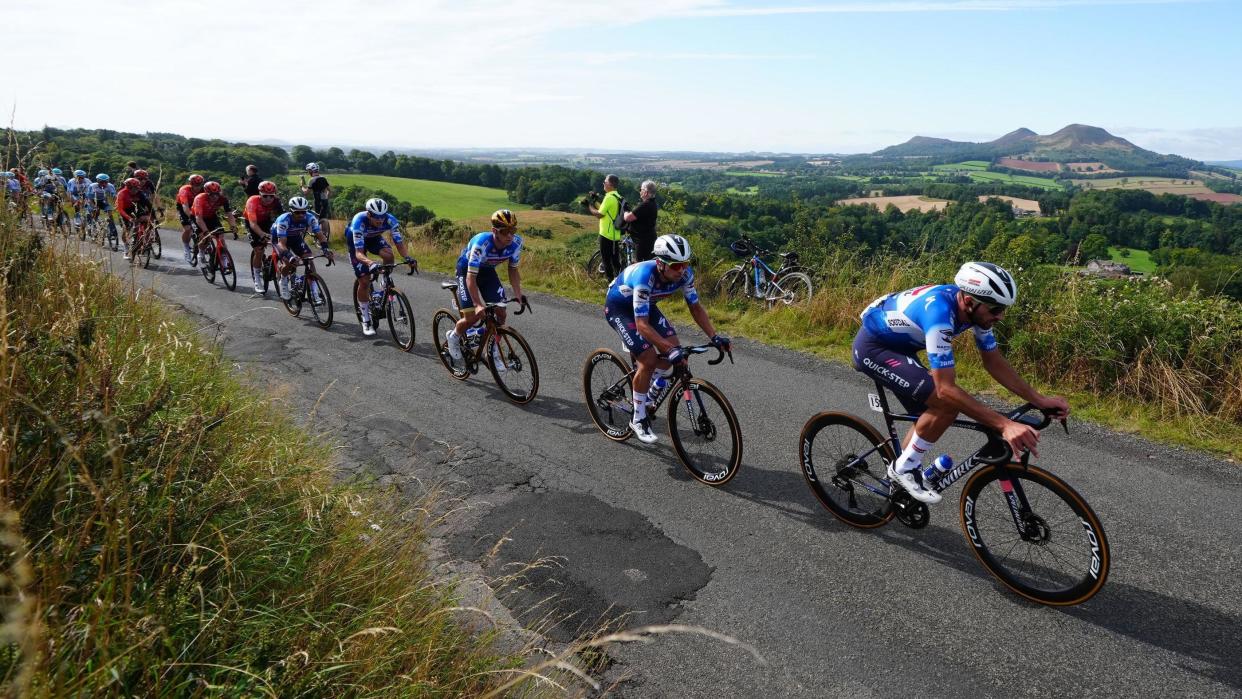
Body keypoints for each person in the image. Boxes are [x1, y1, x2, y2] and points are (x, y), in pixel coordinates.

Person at [853, 262, 1070, 504]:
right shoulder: (939, 315)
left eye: (1003, 309)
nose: (1000, 316)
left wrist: (1039, 399)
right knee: (945, 404)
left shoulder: (975, 311)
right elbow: (946, 389)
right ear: (968, 301)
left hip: (902, 346)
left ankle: (902, 477)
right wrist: (1004, 425)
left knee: (931, 412)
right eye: (996, 309)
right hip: (874, 348)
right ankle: (903, 469)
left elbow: (993, 362)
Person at [603, 234, 730, 444]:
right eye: (676, 265)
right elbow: (642, 325)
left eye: (685, 264)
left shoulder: (685, 274)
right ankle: (638, 418)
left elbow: (695, 308)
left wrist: (714, 336)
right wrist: (666, 349)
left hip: (646, 306)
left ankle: (649, 396)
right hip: (620, 308)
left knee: (676, 353)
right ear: (661, 263)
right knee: (649, 359)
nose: (682, 270)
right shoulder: (646, 276)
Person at [444, 209, 525, 366]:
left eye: (513, 230)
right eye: (505, 231)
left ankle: (492, 348)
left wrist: (519, 295)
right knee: (472, 317)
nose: (510, 235)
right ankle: (453, 336)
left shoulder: (516, 243)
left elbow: (513, 269)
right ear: (494, 231)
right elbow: (471, 277)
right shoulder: (482, 244)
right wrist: (478, 304)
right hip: (466, 270)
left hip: (487, 271)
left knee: (501, 313)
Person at [346, 198, 416, 336]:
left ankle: (385, 284)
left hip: (374, 238)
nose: (380, 220)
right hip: (356, 243)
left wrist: (408, 258)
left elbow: (399, 244)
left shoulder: (390, 220)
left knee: (389, 255)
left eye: (383, 216)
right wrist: (371, 263)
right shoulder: (358, 222)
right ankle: (366, 320)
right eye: (377, 217)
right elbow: (359, 254)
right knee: (365, 281)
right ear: (369, 214)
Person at [271, 196, 332, 301]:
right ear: (291, 211)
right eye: (297, 212)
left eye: (303, 212)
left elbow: (320, 235)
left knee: (309, 259)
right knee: (288, 263)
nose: (301, 215)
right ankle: (284, 281)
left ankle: (313, 290)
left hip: (295, 237)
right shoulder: (284, 219)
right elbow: (281, 244)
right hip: (279, 239)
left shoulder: (310, 217)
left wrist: (326, 250)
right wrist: (290, 257)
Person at [243, 180, 284, 293]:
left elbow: (282, 218)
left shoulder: (276, 201)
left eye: (271, 196)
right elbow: (253, 224)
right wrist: (262, 235)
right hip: (252, 223)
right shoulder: (252, 201)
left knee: (281, 244)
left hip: (266, 221)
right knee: (259, 250)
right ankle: (257, 278)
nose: (268, 199)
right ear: (260, 194)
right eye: (265, 196)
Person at [587, 174, 626, 281]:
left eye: (605, 182)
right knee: (615, 260)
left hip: (606, 234)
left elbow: (600, 214)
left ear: (610, 184)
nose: (603, 184)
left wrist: (588, 206)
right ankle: (620, 282)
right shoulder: (618, 197)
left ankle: (610, 283)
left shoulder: (609, 197)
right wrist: (595, 201)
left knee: (606, 260)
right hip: (615, 234)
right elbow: (606, 211)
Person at [192, 181, 240, 265]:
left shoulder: (223, 198)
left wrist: (234, 226)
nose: (215, 196)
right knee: (205, 238)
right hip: (198, 217)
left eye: (217, 194)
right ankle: (201, 253)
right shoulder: (199, 199)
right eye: (212, 194)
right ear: (206, 193)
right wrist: (206, 232)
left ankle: (224, 258)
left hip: (211, 216)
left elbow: (229, 214)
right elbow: (198, 218)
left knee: (221, 237)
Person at [115, 178, 155, 259]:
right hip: (124, 211)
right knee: (126, 230)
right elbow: (120, 209)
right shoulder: (122, 194)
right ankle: (126, 251)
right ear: (128, 187)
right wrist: (129, 218)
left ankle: (145, 238)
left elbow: (148, 205)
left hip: (135, 208)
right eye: (135, 188)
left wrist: (153, 217)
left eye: (138, 188)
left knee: (147, 219)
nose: (137, 190)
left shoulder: (140, 193)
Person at [624, 180, 659, 261]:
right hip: (649, 238)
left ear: (646, 192)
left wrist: (625, 211)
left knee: (639, 265)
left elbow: (628, 218)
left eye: (641, 190)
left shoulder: (645, 205)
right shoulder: (653, 203)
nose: (640, 192)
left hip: (642, 241)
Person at [176, 174, 206, 262]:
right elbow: (185, 206)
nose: (197, 187)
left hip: (197, 206)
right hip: (184, 206)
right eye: (195, 185)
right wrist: (192, 217)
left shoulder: (204, 190)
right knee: (188, 228)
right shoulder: (184, 190)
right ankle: (186, 247)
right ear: (190, 183)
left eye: (199, 185)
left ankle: (202, 249)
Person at [301, 163, 332, 240]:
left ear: (311, 171)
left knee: (317, 217)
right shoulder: (324, 178)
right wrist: (326, 198)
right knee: (323, 218)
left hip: (318, 201)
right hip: (325, 201)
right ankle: (324, 236)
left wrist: (301, 186)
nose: (308, 173)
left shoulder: (312, 180)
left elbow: (306, 192)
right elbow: (330, 191)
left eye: (308, 171)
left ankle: (318, 234)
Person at [85, 173, 118, 239]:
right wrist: (94, 207)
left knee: (110, 215)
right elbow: (89, 199)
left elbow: (114, 197)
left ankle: (113, 232)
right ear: (97, 181)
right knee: (95, 212)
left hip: (103, 201)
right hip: (93, 201)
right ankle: (93, 227)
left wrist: (114, 206)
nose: (104, 184)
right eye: (101, 182)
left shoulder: (110, 186)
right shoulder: (92, 186)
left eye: (106, 182)